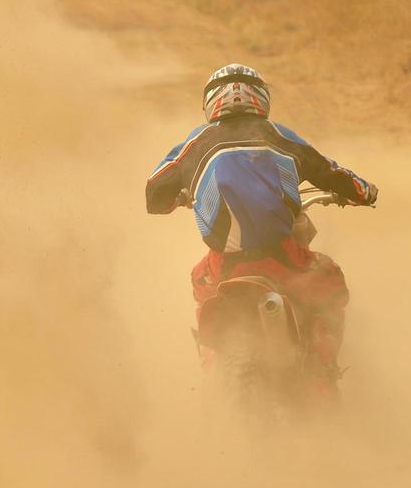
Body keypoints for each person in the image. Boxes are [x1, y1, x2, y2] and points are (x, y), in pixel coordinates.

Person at [145, 63, 378, 384]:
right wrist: (364, 191)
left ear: (210, 101)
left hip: (222, 265)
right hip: (282, 255)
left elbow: (154, 194)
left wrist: (179, 197)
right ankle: (325, 369)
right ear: (262, 97)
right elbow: (332, 172)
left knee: (200, 284)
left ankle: (212, 370)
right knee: (329, 282)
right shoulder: (278, 135)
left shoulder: (195, 143)